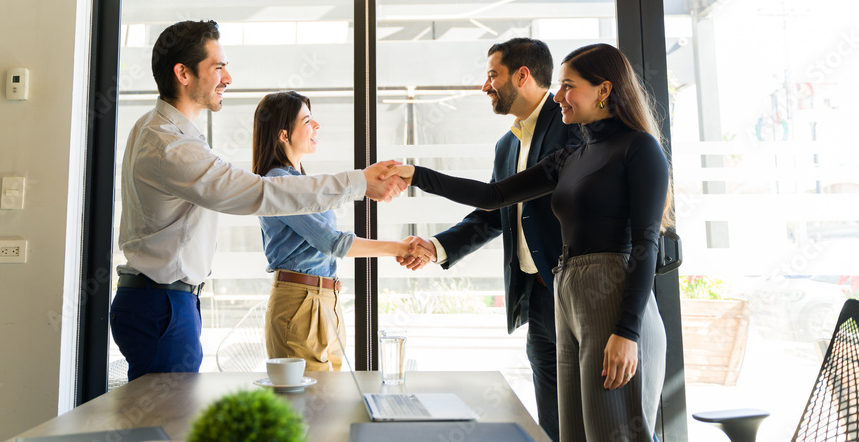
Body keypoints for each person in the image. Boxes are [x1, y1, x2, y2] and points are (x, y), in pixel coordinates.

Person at [391, 43, 670, 442]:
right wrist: (414, 174)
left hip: (612, 291)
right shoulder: (570, 156)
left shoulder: (639, 148)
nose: (558, 96)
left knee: (615, 433)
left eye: (568, 86)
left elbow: (645, 244)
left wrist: (627, 332)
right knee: (569, 431)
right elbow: (492, 197)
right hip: (565, 290)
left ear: (604, 90)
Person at [110, 20, 408, 381]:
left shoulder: (160, 131)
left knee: (167, 421)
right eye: (218, 67)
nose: (228, 78)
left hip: (167, 300)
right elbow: (261, 194)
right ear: (183, 73)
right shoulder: (170, 145)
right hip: (163, 303)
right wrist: (360, 182)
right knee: (166, 425)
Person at [398, 37, 578, 441]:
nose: (485, 86)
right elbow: (495, 212)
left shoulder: (569, 126)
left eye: (492, 75)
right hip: (534, 297)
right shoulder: (507, 144)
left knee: (593, 416)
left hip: (575, 293)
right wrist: (437, 247)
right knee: (551, 423)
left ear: (523, 75)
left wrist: (417, 175)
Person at [253, 91, 415, 371]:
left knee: (330, 400)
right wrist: (398, 248)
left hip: (325, 298)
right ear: (283, 135)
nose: (316, 126)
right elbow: (330, 243)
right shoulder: (278, 182)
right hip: (301, 302)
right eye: (307, 121)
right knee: (312, 406)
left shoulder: (302, 183)